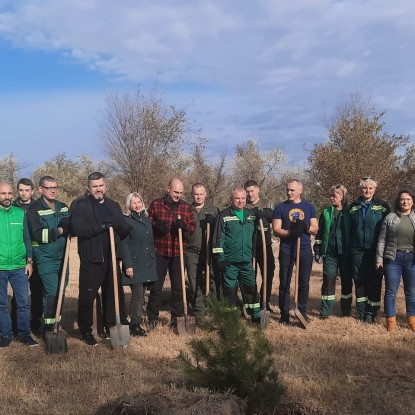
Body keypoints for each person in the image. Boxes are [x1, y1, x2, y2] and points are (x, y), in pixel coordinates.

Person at [70, 172, 130, 346]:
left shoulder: (113, 205)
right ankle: (86, 330)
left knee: (113, 295)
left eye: (101, 185)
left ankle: (111, 327)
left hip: (112, 258)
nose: (98, 189)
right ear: (89, 188)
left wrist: (119, 225)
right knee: (87, 297)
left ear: (106, 186)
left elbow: (125, 231)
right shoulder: (80, 205)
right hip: (91, 259)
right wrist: (102, 226)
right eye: (94, 186)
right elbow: (78, 229)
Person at [146, 179, 195, 329]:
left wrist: (185, 227)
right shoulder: (156, 204)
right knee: (156, 287)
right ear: (168, 189)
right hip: (160, 252)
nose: (178, 195)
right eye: (175, 192)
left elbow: (192, 227)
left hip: (178, 253)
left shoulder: (186, 207)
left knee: (178, 287)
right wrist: (155, 226)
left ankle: (176, 318)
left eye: (181, 193)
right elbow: (147, 223)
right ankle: (152, 318)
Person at [26, 176, 70, 337]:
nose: (53, 190)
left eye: (55, 187)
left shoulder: (63, 207)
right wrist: (59, 231)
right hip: (45, 257)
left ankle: (57, 323)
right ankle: (49, 327)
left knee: (62, 289)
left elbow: (69, 223)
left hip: (63, 256)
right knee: (52, 290)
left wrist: (62, 228)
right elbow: (38, 234)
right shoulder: (34, 210)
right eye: (49, 187)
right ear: (40, 189)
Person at [272, 179, 318, 325]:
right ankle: (284, 314)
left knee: (304, 282)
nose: (289, 192)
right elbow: (276, 230)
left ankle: (302, 311)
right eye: (287, 190)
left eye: (292, 190)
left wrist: (305, 228)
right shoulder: (280, 208)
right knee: (284, 282)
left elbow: (315, 228)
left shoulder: (309, 207)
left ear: (300, 191)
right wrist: (291, 232)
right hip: (286, 249)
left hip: (304, 249)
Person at [212, 187, 261, 323]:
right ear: (231, 199)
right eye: (237, 198)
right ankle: (231, 319)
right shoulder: (224, 215)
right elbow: (217, 239)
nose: (240, 201)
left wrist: (263, 219)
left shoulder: (250, 215)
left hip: (246, 261)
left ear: (246, 199)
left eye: (243, 198)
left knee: (251, 289)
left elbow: (263, 231)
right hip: (229, 263)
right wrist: (220, 259)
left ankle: (255, 316)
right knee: (229, 291)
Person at [0, 182, 38, 348]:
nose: (7, 197)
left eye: (9, 193)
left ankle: (24, 334)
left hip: (19, 266)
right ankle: (6, 335)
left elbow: (27, 239)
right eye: (2, 194)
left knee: (23, 303)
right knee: (1, 304)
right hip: (0, 267)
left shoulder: (20, 213)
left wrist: (29, 261)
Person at [349, 177, 390, 323]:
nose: (367, 191)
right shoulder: (353, 206)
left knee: (375, 281)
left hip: (375, 251)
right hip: (357, 251)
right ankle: (361, 311)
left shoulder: (383, 206)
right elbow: (349, 229)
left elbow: (388, 229)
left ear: (375, 190)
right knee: (359, 281)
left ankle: (371, 313)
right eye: (365, 188)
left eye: (370, 188)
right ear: (361, 190)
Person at [376, 190, 415, 332]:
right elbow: (382, 239)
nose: (405, 202)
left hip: (411, 259)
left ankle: (412, 320)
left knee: (411, 291)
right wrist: (379, 259)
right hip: (393, 259)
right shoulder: (390, 217)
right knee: (391, 291)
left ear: (413, 201)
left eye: (408, 199)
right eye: (402, 199)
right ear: (398, 202)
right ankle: (391, 321)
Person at [120, 193, 157, 337]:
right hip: (134, 263)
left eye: (139, 202)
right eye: (134, 202)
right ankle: (134, 325)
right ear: (129, 205)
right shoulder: (126, 221)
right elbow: (124, 244)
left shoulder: (146, 220)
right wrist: (128, 265)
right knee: (137, 295)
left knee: (142, 296)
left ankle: (137, 323)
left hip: (146, 262)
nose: (137, 205)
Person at [314, 185, 352, 319]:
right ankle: (326, 311)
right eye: (331, 196)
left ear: (342, 197)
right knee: (328, 280)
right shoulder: (326, 212)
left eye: (334, 196)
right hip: (330, 253)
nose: (331, 198)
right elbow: (319, 233)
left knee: (347, 281)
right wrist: (318, 249)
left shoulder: (350, 211)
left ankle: (346, 310)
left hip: (346, 253)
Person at [11, 178, 43, 335]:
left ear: (32, 191)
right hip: (18, 254)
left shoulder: (37, 207)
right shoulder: (12, 206)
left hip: (36, 253)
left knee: (37, 291)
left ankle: (35, 323)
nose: (23, 193)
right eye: (21, 190)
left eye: (26, 190)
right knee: (19, 292)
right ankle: (15, 324)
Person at [186, 183, 219, 319]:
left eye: (201, 194)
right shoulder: (187, 209)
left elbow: (219, 231)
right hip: (191, 251)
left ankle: (212, 307)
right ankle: (199, 310)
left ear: (205, 194)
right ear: (192, 195)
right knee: (194, 280)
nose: (198, 197)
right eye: (196, 194)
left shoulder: (213, 209)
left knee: (211, 280)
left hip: (209, 251)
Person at [244, 180, 275, 312]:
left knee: (268, 272)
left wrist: (265, 215)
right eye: (247, 191)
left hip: (264, 245)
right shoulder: (243, 205)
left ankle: (264, 300)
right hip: (248, 246)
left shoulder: (267, 203)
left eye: (252, 191)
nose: (250, 194)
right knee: (249, 275)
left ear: (258, 190)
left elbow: (275, 219)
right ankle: (251, 302)